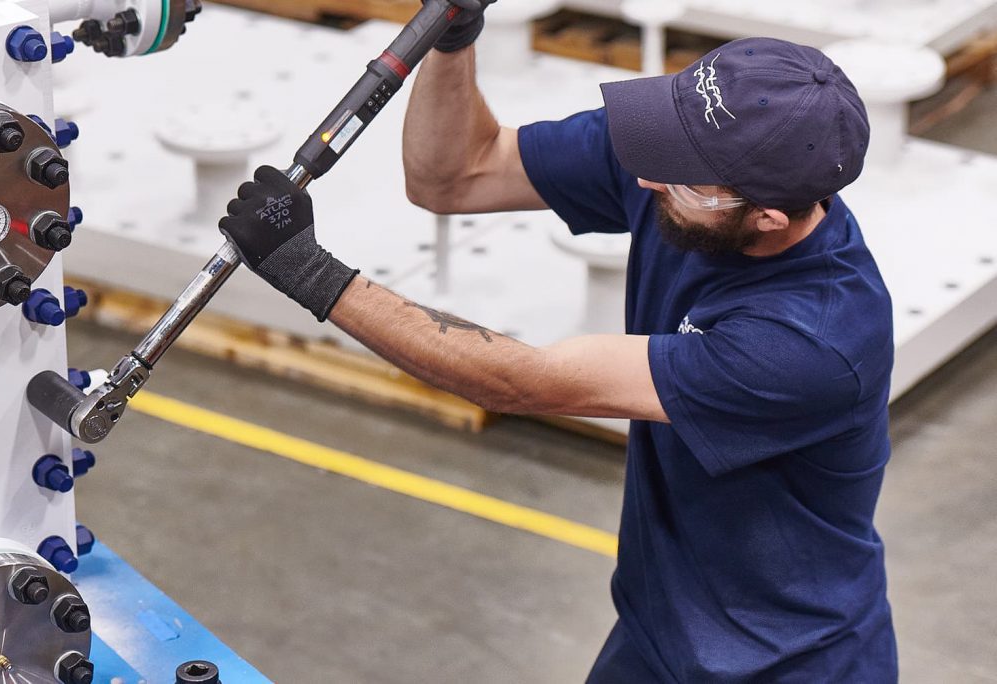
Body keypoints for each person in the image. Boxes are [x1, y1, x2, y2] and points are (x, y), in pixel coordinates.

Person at [218, 2, 897, 682]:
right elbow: (454, 175)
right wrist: (453, 43)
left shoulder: (811, 341)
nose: (646, 177)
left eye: (678, 175)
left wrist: (309, 272)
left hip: (785, 663)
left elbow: (522, 382)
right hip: (658, 635)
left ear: (768, 217)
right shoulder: (682, 160)